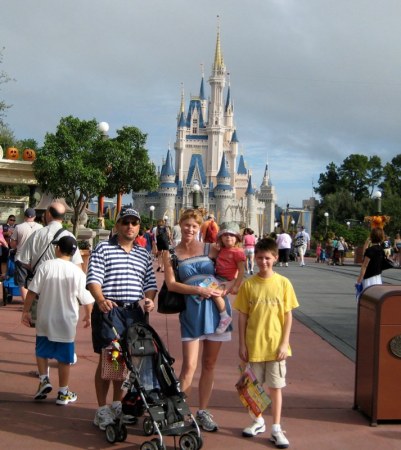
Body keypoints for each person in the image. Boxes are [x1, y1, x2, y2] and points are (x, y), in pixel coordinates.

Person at [87, 208, 157, 431]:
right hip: (111, 310)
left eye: (134, 223)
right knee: (110, 359)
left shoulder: (143, 254)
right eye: (125, 222)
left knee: (127, 361)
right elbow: (93, 279)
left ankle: (117, 403)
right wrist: (100, 300)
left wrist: (149, 300)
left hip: (133, 313)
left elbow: (150, 284)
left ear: (138, 227)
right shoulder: (103, 249)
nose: (130, 226)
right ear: (117, 226)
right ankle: (101, 409)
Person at [163, 208, 231, 432]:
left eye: (194, 225)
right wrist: (196, 290)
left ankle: (202, 411)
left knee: (209, 364)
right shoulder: (171, 252)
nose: (190, 229)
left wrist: (225, 289)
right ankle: (180, 414)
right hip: (192, 309)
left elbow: (230, 270)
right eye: (186, 224)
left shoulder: (211, 248)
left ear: (199, 227)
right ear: (180, 224)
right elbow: (172, 285)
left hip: (216, 308)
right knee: (189, 365)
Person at [233, 238, 299, 449]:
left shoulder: (283, 283)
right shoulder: (249, 285)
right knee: (251, 388)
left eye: (267, 258)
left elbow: (288, 316)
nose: (263, 262)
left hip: (276, 347)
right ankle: (257, 420)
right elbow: (242, 316)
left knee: (275, 387)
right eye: (260, 258)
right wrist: (242, 344)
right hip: (254, 346)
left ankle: (276, 427)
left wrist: (284, 343)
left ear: (276, 258)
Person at [21, 236, 94, 405]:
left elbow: (32, 291)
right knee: (64, 357)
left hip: (45, 317)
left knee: (41, 350)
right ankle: (63, 392)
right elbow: (87, 298)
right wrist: (88, 315)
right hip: (66, 321)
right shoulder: (78, 272)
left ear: (58, 249)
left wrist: (25, 311)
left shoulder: (46, 266)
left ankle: (44, 379)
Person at [19, 201, 83, 273]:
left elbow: (23, 261)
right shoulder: (69, 237)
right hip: (61, 281)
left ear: (48, 214)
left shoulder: (36, 234)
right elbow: (77, 266)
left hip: (38, 280)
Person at [212, 222, 245, 334]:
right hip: (216, 277)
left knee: (215, 293)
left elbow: (241, 271)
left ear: (236, 238)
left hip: (226, 280)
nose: (228, 237)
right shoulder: (222, 250)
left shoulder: (238, 252)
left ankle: (224, 316)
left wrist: (236, 286)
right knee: (201, 290)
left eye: (231, 235)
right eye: (225, 235)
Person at [10, 208, 43, 303]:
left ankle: (26, 305)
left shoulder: (18, 227)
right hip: (36, 259)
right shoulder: (40, 227)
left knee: (22, 284)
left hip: (21, 258)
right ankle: (34, 303)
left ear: (25, 216)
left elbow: (13, 244)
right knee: (36, 282)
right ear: (34, 217)